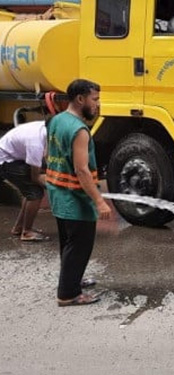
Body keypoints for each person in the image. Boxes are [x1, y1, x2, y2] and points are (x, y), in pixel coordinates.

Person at [46, 79, 112, 307]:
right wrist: (99, 201)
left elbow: (48, 152)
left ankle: (73, 280)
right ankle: (68, 294)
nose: (97, 105)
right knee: (79, 246)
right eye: (94, 100)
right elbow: (82, 170)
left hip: (58, 194)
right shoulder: (79, 130)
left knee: (68, 242)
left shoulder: (57, 120)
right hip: (75, 199)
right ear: (80, 99)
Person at [0, 121, 49, 241]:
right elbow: (35, 177)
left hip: (12, 156)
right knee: (35, 193)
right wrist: (52, 186)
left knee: (30, 191)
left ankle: (19, 227)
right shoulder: (36, 143)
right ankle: (26, 232)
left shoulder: (45, 128)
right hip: (5, 161)